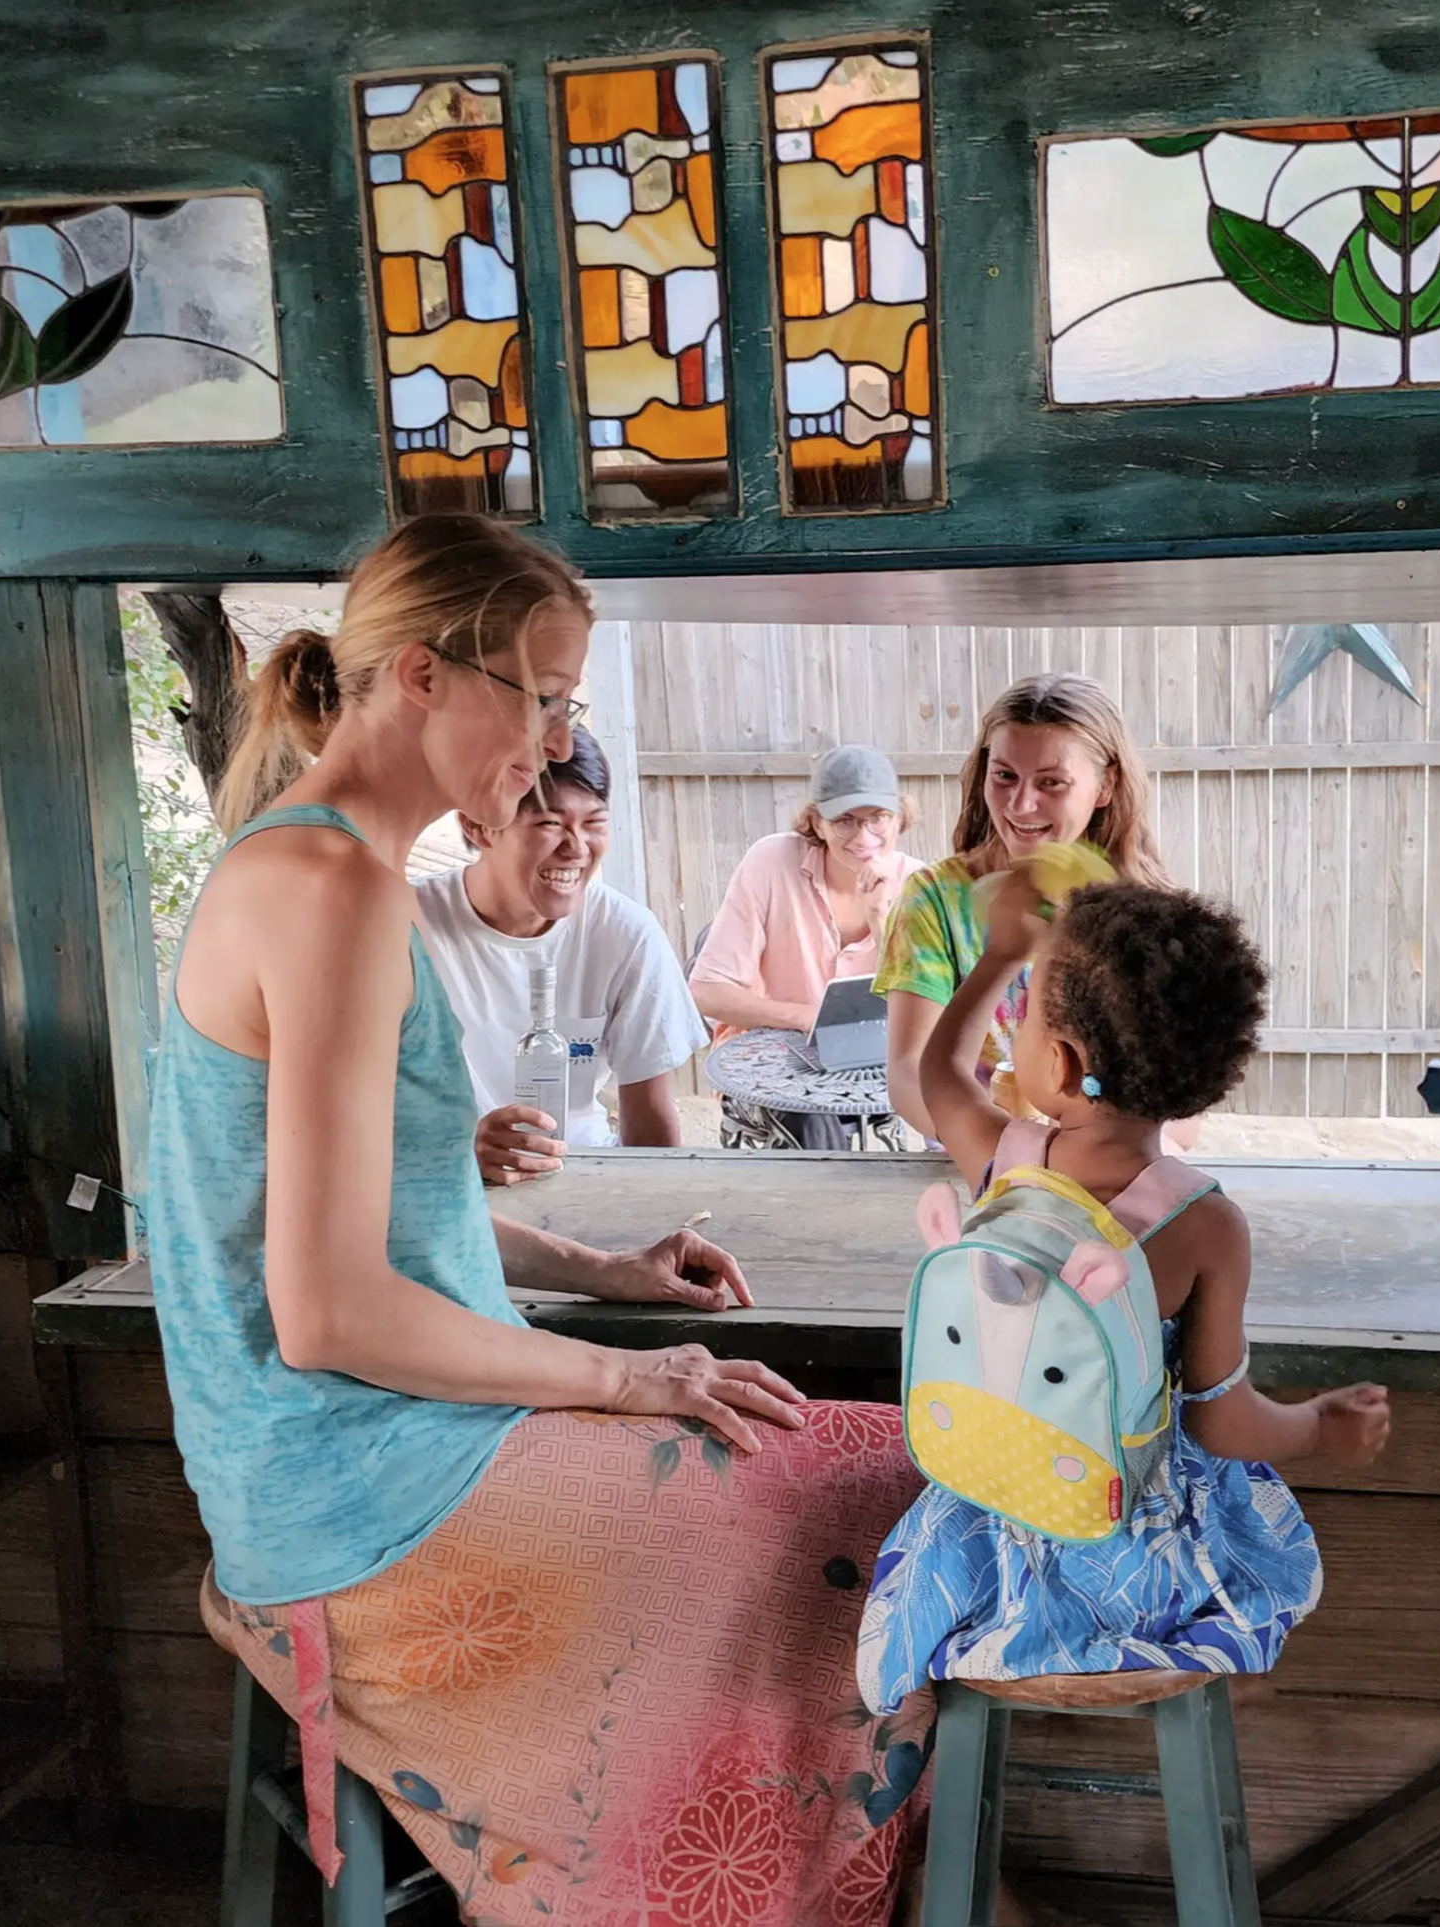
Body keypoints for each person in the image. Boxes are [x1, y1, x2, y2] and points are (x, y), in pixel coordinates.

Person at [148, 514, 926, 1923]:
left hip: (370, 1453)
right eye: (545, 696)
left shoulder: (326, 867)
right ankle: (729, 1883)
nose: (557, 741)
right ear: (423, 676)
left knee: (850, 1477)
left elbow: (389, 1214)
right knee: (878, 1495)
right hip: (358, 1492)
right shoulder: (328, 888)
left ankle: (740, 1874)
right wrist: (626, 1379)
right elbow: (329, 1310)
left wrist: (597, 1270)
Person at [856, 863, 1390, 1709]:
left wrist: (997, 957)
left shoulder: (1006, 1162)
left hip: (988, 1527)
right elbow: (1222, 1422)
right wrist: (1320, 1424)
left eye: (1026, 1012)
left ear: (1061, 1061)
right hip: (1135, 1556)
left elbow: (940, 1073)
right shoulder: (1206, 1225)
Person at [875, 674, 1166, 1141]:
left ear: (1106, 785)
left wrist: (1095, 1157)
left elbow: (1178, 1099)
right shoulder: (934, 898)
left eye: (1052, 782)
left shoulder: (1142, 910)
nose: (1022, 804)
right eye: (1005, 776)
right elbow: (909, 1072)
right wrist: (1010, 1156)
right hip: (976, 1169)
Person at [413, 727, 703, 1184]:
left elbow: (652, 1132)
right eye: (549, 823)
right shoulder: (408, 926)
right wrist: (457, 1150)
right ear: (476, 825)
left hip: (586, 1176)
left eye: (594, 823)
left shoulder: (626, 933)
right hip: (447, 1185)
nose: (577, 848)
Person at [689, 744, 923, 1150]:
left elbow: (925, 1010)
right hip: (767, 1059)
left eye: (878, 818)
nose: (864, 837)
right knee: (814, 1120)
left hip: (871, 1064)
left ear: (899, 817)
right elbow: (706, 992)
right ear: (817, 822)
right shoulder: (770, 861)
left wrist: (880, 918)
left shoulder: (919, 883)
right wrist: (805, 1017)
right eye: (845, 821)